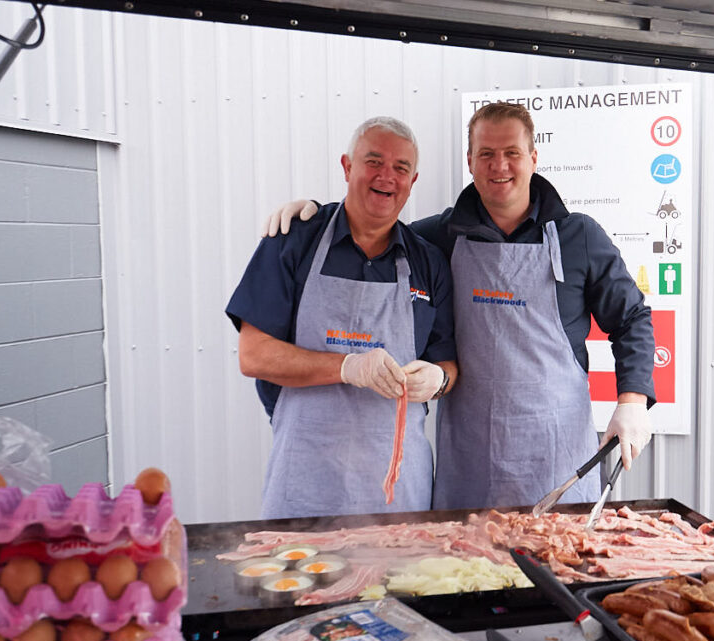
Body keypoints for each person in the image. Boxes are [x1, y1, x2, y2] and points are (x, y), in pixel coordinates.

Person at [268, 103, 654, 510]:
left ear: (533, 158)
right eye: (486, 154)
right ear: (470, 161)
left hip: (557, 460)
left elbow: (631, 318)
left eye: (512, 153)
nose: (499, 165)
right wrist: (313, 221)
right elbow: (369, 230)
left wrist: (632, 401)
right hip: (470, 463)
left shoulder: (580, 237)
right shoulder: (437, 237)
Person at [227, 117, 457, 519]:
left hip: (398, 491)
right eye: (374, 161)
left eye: (401, 167)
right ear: (347, 166)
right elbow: (254, 355)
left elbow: (449, 363)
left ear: (413, 179)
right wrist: (348, 367)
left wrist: (438, 381)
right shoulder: (295, 239)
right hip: (305, 482)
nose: (387, 176)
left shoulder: (427, 261)